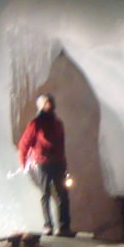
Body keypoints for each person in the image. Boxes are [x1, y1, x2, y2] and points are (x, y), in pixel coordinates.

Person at [18, 94, 74, 236]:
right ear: (42, 106)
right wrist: (23, 162)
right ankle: (48, 225)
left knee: (63, 194)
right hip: (43, 164)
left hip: (58, 163)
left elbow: (61, 145)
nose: (50, 106)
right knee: (46, 194)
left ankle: (64, 227)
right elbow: (24, 144)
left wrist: (64, 164)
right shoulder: (35, 124)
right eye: (47, 103)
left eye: (51, 103)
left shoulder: (57, 124)